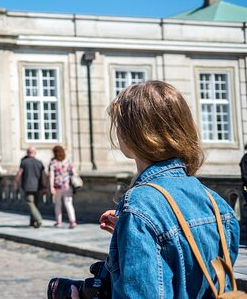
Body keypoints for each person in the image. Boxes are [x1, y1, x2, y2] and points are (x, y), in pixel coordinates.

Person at [92, 80, 240, 298]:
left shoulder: (140, 206)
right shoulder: (217, 203)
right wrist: (133, 233)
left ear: (134, 134)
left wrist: (141, 226)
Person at [15, 146, 45, 228]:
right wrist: (44, 185)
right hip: (38, 186)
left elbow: (19, 174)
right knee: (35, 203)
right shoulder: (39, 162)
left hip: (28, 186)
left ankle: (38, 219)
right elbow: (43, 175)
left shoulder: (24, 162)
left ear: (27, 153)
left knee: (30, 202)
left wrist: (16, 183)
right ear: (35, 153)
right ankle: (32, 222)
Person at [49, 145, 76, 228]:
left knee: (57, 204)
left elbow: (51, 176)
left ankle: (59, 222)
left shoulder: (53, 162)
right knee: (68, 203)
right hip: (67, 185)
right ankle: (72, 221)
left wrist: (51, 187)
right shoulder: (67, 161)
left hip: (57, 186)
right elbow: (74, 172)